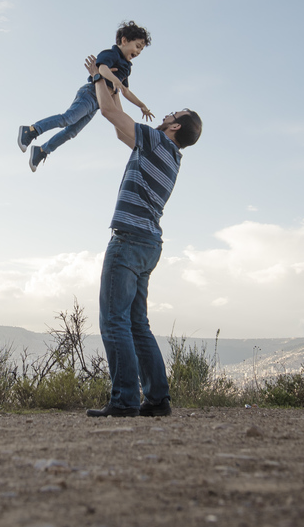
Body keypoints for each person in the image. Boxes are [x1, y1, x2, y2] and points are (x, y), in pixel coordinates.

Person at [82, 54, 202, 418]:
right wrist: (114, 84)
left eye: (173, 114)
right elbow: (122, 127)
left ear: (176, 127)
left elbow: (108, 114)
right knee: (136, 323)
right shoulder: (168, 155)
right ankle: (157, 399)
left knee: (114, 321)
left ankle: (123, 401)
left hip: (129, 240)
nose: (166, 114)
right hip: (149, 244)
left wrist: (97, 79)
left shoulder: (157, 142)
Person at [18, 21, 155, 172]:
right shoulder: (112, 53)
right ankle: (31, 130)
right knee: (68, 118)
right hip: (90, 93)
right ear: (124, 40)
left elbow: (125, 91)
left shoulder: (126, 68)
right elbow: (101, 69)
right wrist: (115, 80)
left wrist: (141, 105)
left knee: (72, 132)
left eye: (141, 50)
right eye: (137, 46)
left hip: (98, 103)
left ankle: (42, 151)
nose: (138, 52)